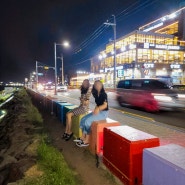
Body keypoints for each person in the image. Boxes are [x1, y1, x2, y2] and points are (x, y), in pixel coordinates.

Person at [75, 80, 109, 147]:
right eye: (96, 85)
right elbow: (98, 104)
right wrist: (96, 108)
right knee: (83, 119)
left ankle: (87, 141)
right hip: (98, 111)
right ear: (94, 86)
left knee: (88, 121)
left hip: (103, 113)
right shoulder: (96, 94)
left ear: (102, 85)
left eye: (99, 84)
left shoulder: (104, 94)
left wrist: (98, 108)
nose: (97, 86)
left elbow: (105, 105)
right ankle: (83, 137)